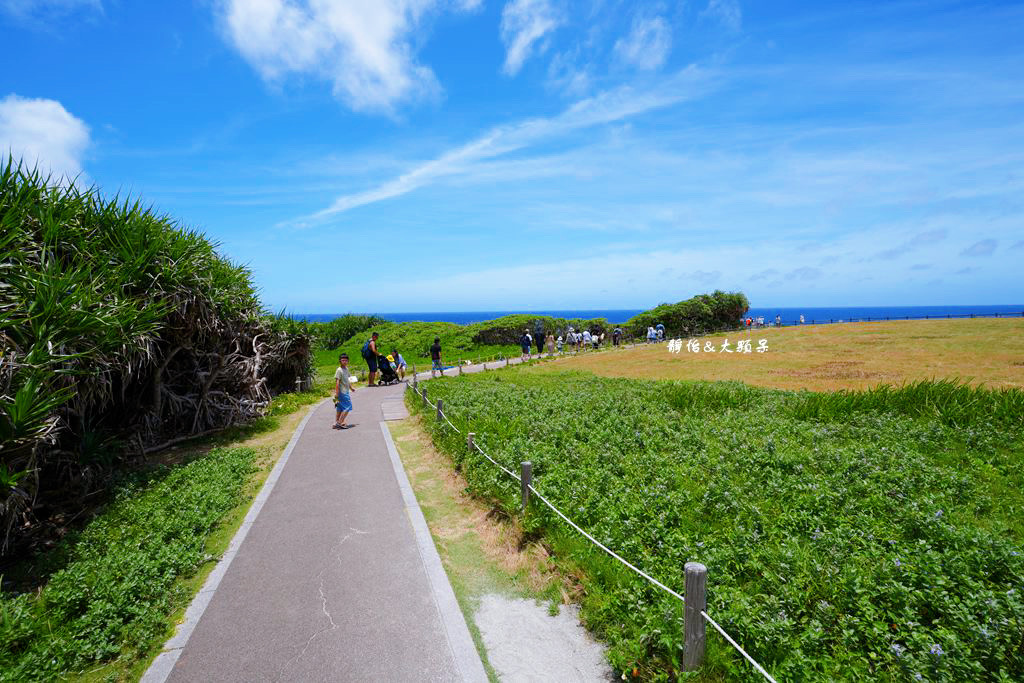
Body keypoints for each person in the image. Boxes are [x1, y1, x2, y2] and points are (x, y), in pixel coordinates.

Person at [333, 353, 355, 430]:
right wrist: (336, 393)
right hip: (342, 392)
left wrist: (351, 388)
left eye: (346, 360)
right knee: (348, 407)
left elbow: (348, 380)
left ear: (348, 361)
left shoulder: (346, 369)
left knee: (340, 408)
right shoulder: (339, 370)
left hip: (346, 391)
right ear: (340, 361)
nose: (344, 362)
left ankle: (336, 422)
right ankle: (340, 422)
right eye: (343, 360)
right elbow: (337, 382)